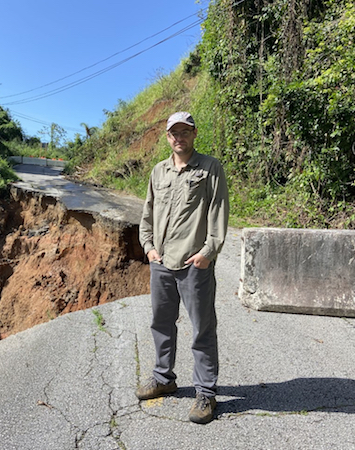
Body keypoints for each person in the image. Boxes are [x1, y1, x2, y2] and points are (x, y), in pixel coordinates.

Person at [137, 111, 229, 424]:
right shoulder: (158, 172)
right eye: (174, 132)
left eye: (185, 131)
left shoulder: (210, 168)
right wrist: (148, 248)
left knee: (202, 328)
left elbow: (218, 213)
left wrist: (208, 252)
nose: (179, 137)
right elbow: (147, 214)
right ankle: (164, 378)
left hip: (194, 263)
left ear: (194, 133)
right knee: (161, 323)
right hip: (161, 263)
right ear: (167, 137)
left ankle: (205, 392)